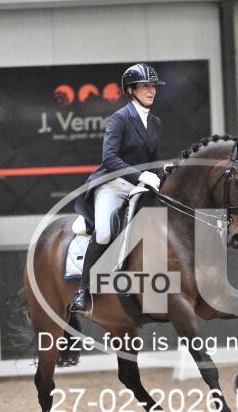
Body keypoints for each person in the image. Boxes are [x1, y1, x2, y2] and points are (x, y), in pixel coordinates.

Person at [71, 63, 167, 313]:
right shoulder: (119, 118)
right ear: (131, 90)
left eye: (153, 86)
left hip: (140, 187)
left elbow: (154, 159)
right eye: (146, 86)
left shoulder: (155, 122)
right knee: (104, 233)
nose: (152, 91)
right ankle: (83, 291)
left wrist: (162, 174)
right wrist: (141, 175)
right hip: (114, 186)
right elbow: (109, 159)